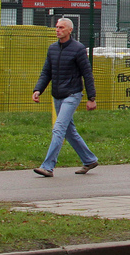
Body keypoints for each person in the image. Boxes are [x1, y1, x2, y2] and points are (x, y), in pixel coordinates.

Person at [32, 18, 99, 177]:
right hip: (57, 95)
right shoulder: (52, 49)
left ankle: (48, 166)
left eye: (61, 27)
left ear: (70, 30)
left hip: (72, 94)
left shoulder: (78, 49)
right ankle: (89, 159)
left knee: (59, 128)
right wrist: (38, 89)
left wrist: (91, 97)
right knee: (69, 132)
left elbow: (87, 74)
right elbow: (46, 72)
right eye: (56, 27)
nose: (57, 30)